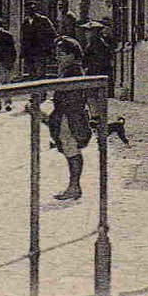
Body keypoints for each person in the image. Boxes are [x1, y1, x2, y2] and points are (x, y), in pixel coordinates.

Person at [46, 36, 93, 200]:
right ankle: (73, 186)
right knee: (69, 148)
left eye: (62, 54)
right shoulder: (68, 69)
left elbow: (72, 98)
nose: (58, 57)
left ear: (72, 54)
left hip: (70, 115)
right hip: (67, 114)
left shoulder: (73, 70)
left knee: (71, 148)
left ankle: (74, 187)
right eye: (57, 54)